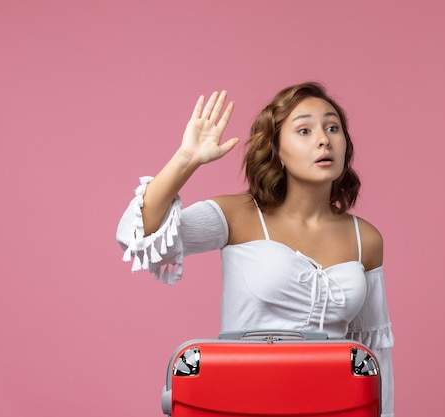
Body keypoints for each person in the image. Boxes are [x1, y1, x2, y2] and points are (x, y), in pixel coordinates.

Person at [116, 82, 395, 416]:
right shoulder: (237, 215)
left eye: (332, 127)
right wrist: (186, 159)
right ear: (276, 149)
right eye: (304, 130)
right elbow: (136, 235)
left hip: (333, 406)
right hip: (242, 403)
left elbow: (373, 357)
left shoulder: (366, 239)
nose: (324, 139)